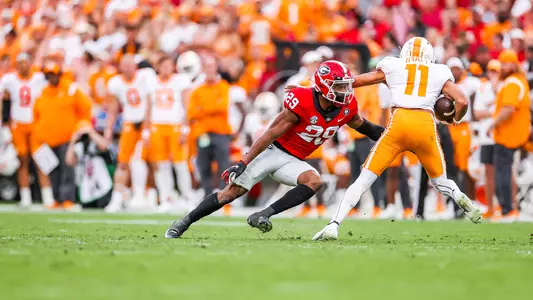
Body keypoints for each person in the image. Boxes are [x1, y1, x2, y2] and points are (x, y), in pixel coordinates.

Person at [165, 60, 385, 238]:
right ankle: (184, 222)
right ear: (323, 87)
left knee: (314, 181)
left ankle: (263, 214)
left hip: (294, 160)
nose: (344, 91)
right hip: (273, 151)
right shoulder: (303, 101)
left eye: (345, 85)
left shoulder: (346, 107)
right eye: (338, 86)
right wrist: (244, 162)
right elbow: (270, 132)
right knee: (230, 193)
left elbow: (363, 126)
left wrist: (390, 135)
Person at [314, 37, 482, 241]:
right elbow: (462, 100)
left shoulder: (393, 65)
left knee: (364, 179)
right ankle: (458, 195)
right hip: (425, 125)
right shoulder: (440, 71)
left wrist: (316, 90)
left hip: (399, 123)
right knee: (440, 181)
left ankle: (334, 224)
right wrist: (455, 118)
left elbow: (356, 82)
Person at [32, 61, 92, 209]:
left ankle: (68, 199)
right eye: (49, 75)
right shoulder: (43, 92)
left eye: (53, 74)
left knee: (67, 170)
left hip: (67, 138)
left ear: (59, 74)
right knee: (53, 170)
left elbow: (86, 108)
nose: (51, 78)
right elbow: (37, 115)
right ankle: (57, 199)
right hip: (48, 139)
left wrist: (80, 127)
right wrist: (39, 135)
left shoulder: (71, 89)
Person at [104, 54, 153, 212]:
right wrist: (109, 129)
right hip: (129, 124)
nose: (127, 68)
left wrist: (147, 126)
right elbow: (113, 108)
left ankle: (142, 195)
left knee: (142, 161)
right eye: (124, 65)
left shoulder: (146, 77)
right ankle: (117, 198)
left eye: (130, 64)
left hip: (145, 123)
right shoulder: (116, 83)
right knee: (123, 162)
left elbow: (150, 103)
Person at [488, 49, 532, 222]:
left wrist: (493, 123)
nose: (503, 67)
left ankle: (507, 210)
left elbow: (508, 108)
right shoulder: (515, 81)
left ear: (514, 64)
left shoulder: (513, 82)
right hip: (511, 132)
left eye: (506, 63)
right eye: (502, 63)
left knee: (503, 171)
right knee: (504, 171)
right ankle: (507, 209)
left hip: (509, 133)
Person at [146, 56, 194, 212]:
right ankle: (165, 198)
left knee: (180, 164)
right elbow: (148, 107)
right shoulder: (152, 82)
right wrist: (146, 131)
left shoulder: (180, 81)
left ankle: (187, 197)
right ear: (158, 67)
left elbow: (187, 106)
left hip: (175, 126)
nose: (166, 68)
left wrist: (185, 129)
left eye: (169, 65)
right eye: (163, 65)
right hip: (157, 126)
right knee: (161, 165)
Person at [0, 52, 47, 207]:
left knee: (41, 159)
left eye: (26, 62)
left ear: (30, 63)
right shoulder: (9, 80)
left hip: (35, 124)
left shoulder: (39, 78)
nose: (23, 65)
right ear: (16, 65)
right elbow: (4, 99)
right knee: (22, 160)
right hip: (18, 124)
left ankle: (48, 196)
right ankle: (25, 197)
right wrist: (5, 123)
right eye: (20, 62)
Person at [186, 55, 233, 196]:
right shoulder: (198, 90)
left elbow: (222, 107)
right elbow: (192, 112)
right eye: (207, 66)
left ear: (216, 68)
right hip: (203, 133)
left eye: (212, 66)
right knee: (203, 166)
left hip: (221, 132)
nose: (210, 69)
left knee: (224, 165)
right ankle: (207, 195)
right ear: (203, 69)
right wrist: (211, 107)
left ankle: (225, 196)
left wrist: (203, 109)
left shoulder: (224, 86)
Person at [473, 59, 501, 218]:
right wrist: (493, 111)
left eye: (495, 71)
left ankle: (507, 207)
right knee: (489, 173)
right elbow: (477, 113)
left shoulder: (504, 86)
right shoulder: (482, 87)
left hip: (501, 135)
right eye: (491, 71)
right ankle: (491, 207)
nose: (493, 74)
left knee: (504, 171)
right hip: (486, 136)